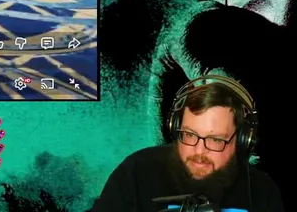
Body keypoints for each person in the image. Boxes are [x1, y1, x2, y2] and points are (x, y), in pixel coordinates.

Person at [91, 75, 285, 211]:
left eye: (215, 140)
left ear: (242, 140)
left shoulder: (261, 191)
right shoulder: (136, 172)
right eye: (190, 135)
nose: (199, 151)